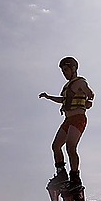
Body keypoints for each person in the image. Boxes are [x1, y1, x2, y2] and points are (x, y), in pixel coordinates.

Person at [39, 56, 94, 187]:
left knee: (70, 146)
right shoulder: (67, 87)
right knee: (56, 146)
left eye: (66, 69)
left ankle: (75, 176)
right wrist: (48, 97)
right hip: (68, 120)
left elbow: (90, 94)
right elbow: (63, 100)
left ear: (73, 68)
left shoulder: (80, 82)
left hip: (78, 118)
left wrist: (89, 102)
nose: (64, 73)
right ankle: (61, 173)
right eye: (62, 71)